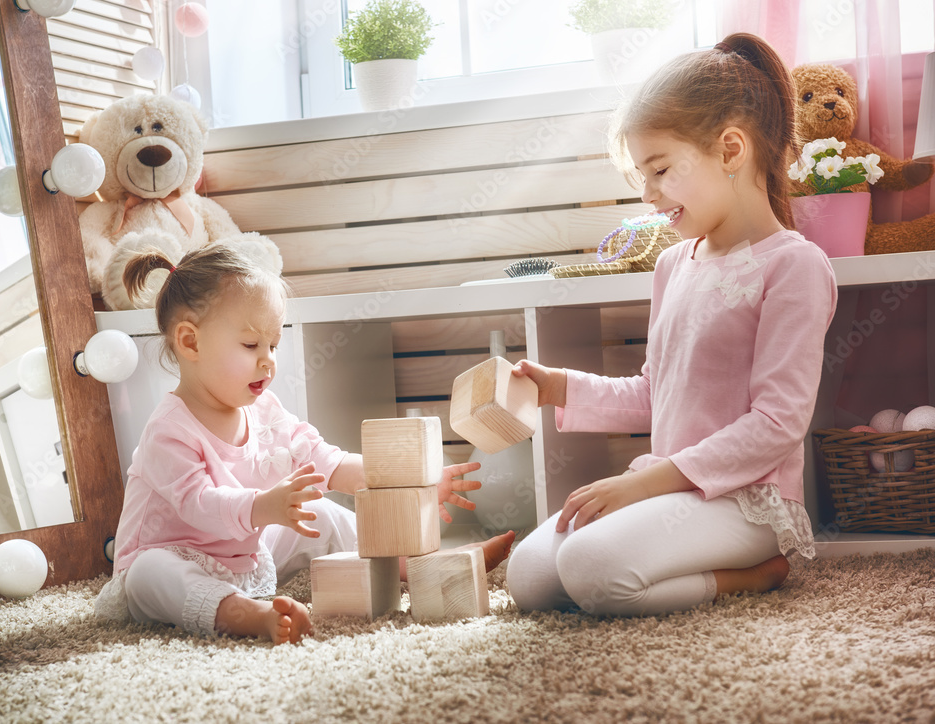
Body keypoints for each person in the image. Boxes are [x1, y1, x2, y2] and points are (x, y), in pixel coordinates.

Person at [505, 33, 838, 617]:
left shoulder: (794, 265)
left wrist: (640, 486)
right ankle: (663, 556)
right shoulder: (670, 266)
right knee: (531, 578)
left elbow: (778, 423)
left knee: (592, 570)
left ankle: (753, 576)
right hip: (667, 487)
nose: (648, 194)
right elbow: (655, 393)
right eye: (641, 174)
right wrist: (560, 386)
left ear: (730, 150)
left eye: (660, 170)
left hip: (746, 501)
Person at [94, 243, 515, 644]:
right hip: (171, 559)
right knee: (150, 573)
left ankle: (419, 564)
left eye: (273, 345)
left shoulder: (265, 410)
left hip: (244, 554)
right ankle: (244, 614)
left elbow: (326, 462)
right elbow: (199, 505)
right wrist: (265, 507)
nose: (268, 360)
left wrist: (411, 481)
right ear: (190, 342)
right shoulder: (169, 430)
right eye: (250, 345)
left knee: (319, 511)